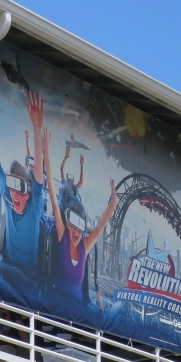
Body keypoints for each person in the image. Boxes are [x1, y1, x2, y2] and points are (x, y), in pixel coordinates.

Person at [0, 71, 47, 277]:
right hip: (7, 274)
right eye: (12, 188)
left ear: (28, 193)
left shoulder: (34, 209)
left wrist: (36, 128)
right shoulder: (8, 196)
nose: (15, 195)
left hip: (29, 281)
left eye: (20, 190)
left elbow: (39, 181)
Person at [42, 128, 119, 304]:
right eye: (74, 226)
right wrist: (46, 154)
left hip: (78, 311)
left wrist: (113, 203)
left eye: (80, 227)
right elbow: (54, 201)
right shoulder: (62, 236)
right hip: (58, 305)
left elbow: (99, 227)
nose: (77, 231)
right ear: (68, 224)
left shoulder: (84, 245)